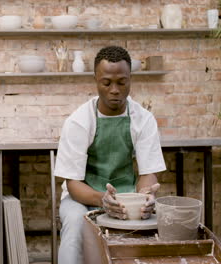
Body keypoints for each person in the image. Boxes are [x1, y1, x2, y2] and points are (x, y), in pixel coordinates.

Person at [54, 46, 166, 263]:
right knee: (76, 222)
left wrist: (144, 197)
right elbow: (73, 183)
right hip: (82, 199)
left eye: (121, 82)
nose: (114, 90)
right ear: (96, 81)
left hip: (126, 198)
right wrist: (102, 201)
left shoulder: (143, 119)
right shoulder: (79, 121)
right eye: (106, 83)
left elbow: (148, 172)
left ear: (130, 79)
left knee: (153, 224)